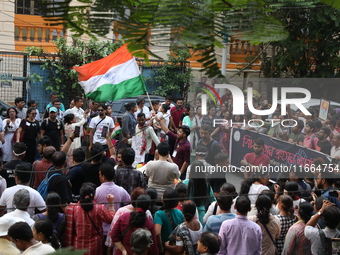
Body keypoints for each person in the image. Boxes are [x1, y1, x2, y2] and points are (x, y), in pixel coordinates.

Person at [64, 183, 115, 255]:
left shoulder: (73, 208)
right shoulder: (99, 208)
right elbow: (111, 219)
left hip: (78, 247)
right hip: (95, 247)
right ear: (94, 196)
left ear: (80, 196)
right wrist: (111, 204)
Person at [105, 187, 153, 255]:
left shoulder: (122, 212)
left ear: (131, 198)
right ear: (148, 206)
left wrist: (110, 249)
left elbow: (113, 234)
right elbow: (152, 241)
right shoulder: (148, 214)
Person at [95, 163, 131, 238]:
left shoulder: (97, 191)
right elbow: (129, 202)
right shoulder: (120, 190)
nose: (99, 177)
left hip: (101, 229)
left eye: (100, 174)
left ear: (103, 177)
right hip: (116, 227)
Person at [156, 114, 191, 180]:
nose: (177, 133)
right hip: (172, 166)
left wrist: (180, 172)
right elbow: (167, 131)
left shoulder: (187, 146)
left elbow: (186, 161)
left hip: (179, 171)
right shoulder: (178, 138)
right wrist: (160, 121)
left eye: (180, 132)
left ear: (184, 135)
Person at [183, 161, 216, 225]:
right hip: (201, 213)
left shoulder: (186, 183)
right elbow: (213, 200)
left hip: (187, 212)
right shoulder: (206, 185)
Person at [154, 189, 184, 254]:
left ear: (164, 200)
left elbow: (157, 233)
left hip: (165, 249)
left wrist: (160, 249)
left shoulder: (159, 214)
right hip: (177, 248)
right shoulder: (179, 213)